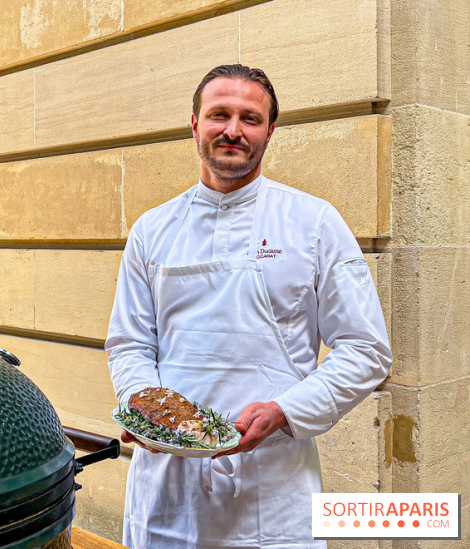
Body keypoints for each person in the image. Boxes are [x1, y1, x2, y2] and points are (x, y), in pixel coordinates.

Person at [105, 64, 392, 548]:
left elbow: (365, 350)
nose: (233, 130)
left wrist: (285, 410)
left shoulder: (315, 223)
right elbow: (131, 342)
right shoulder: (151, 231)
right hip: (166, 487)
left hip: (272, 486)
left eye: (250, 118)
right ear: (195, 124)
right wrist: (143, 406)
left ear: (270, 131)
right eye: (219, 114)